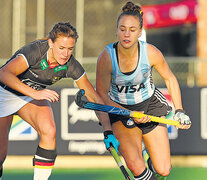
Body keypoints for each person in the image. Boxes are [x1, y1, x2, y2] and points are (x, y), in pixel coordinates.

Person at [0, 22, 119, 180]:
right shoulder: (36, 51)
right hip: (4, 92)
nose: (65, 54)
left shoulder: (71, 65)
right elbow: (4, 74)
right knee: (0, 156)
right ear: (51, 43)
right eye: (61, 48)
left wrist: (107, 130)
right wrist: (35, 93)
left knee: (49, 130)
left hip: (29, 97)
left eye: (70, 49)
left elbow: (94, 98)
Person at [96, 1, 191, 180]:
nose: (126, 34)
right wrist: (129, 113)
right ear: (116, 30)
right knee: (136, 167)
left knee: (163, 170)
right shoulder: (107, 57)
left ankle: (150, 158)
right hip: (121, 110)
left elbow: (170, 78)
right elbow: (101, 95)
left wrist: (179, 111)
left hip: (150, 106)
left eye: (132, 30)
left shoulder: (151, 53)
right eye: (122, 29)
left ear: (140, 33)